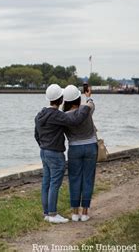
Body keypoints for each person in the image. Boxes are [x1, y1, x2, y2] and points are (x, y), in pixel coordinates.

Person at [34, 84, 91, 223]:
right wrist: (88, 106)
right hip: (55, 153)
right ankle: (53, 214)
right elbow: (75, 120)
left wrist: (44, 146)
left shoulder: (40, 114)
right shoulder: (57, 115)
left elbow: (36, 134)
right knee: (54, 183)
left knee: (46, 182)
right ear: (60, 100)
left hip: (44, 151)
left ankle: (47, 213)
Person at [63, 84, 97, 222]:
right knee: (88, 179)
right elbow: (91, 104)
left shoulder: (63, 117)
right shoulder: (86, 109)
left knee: (74, 179)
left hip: (74, 149)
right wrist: (88, 96)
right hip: (90, 147)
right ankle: (85, 212)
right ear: (78, 98)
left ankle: (75, 212)